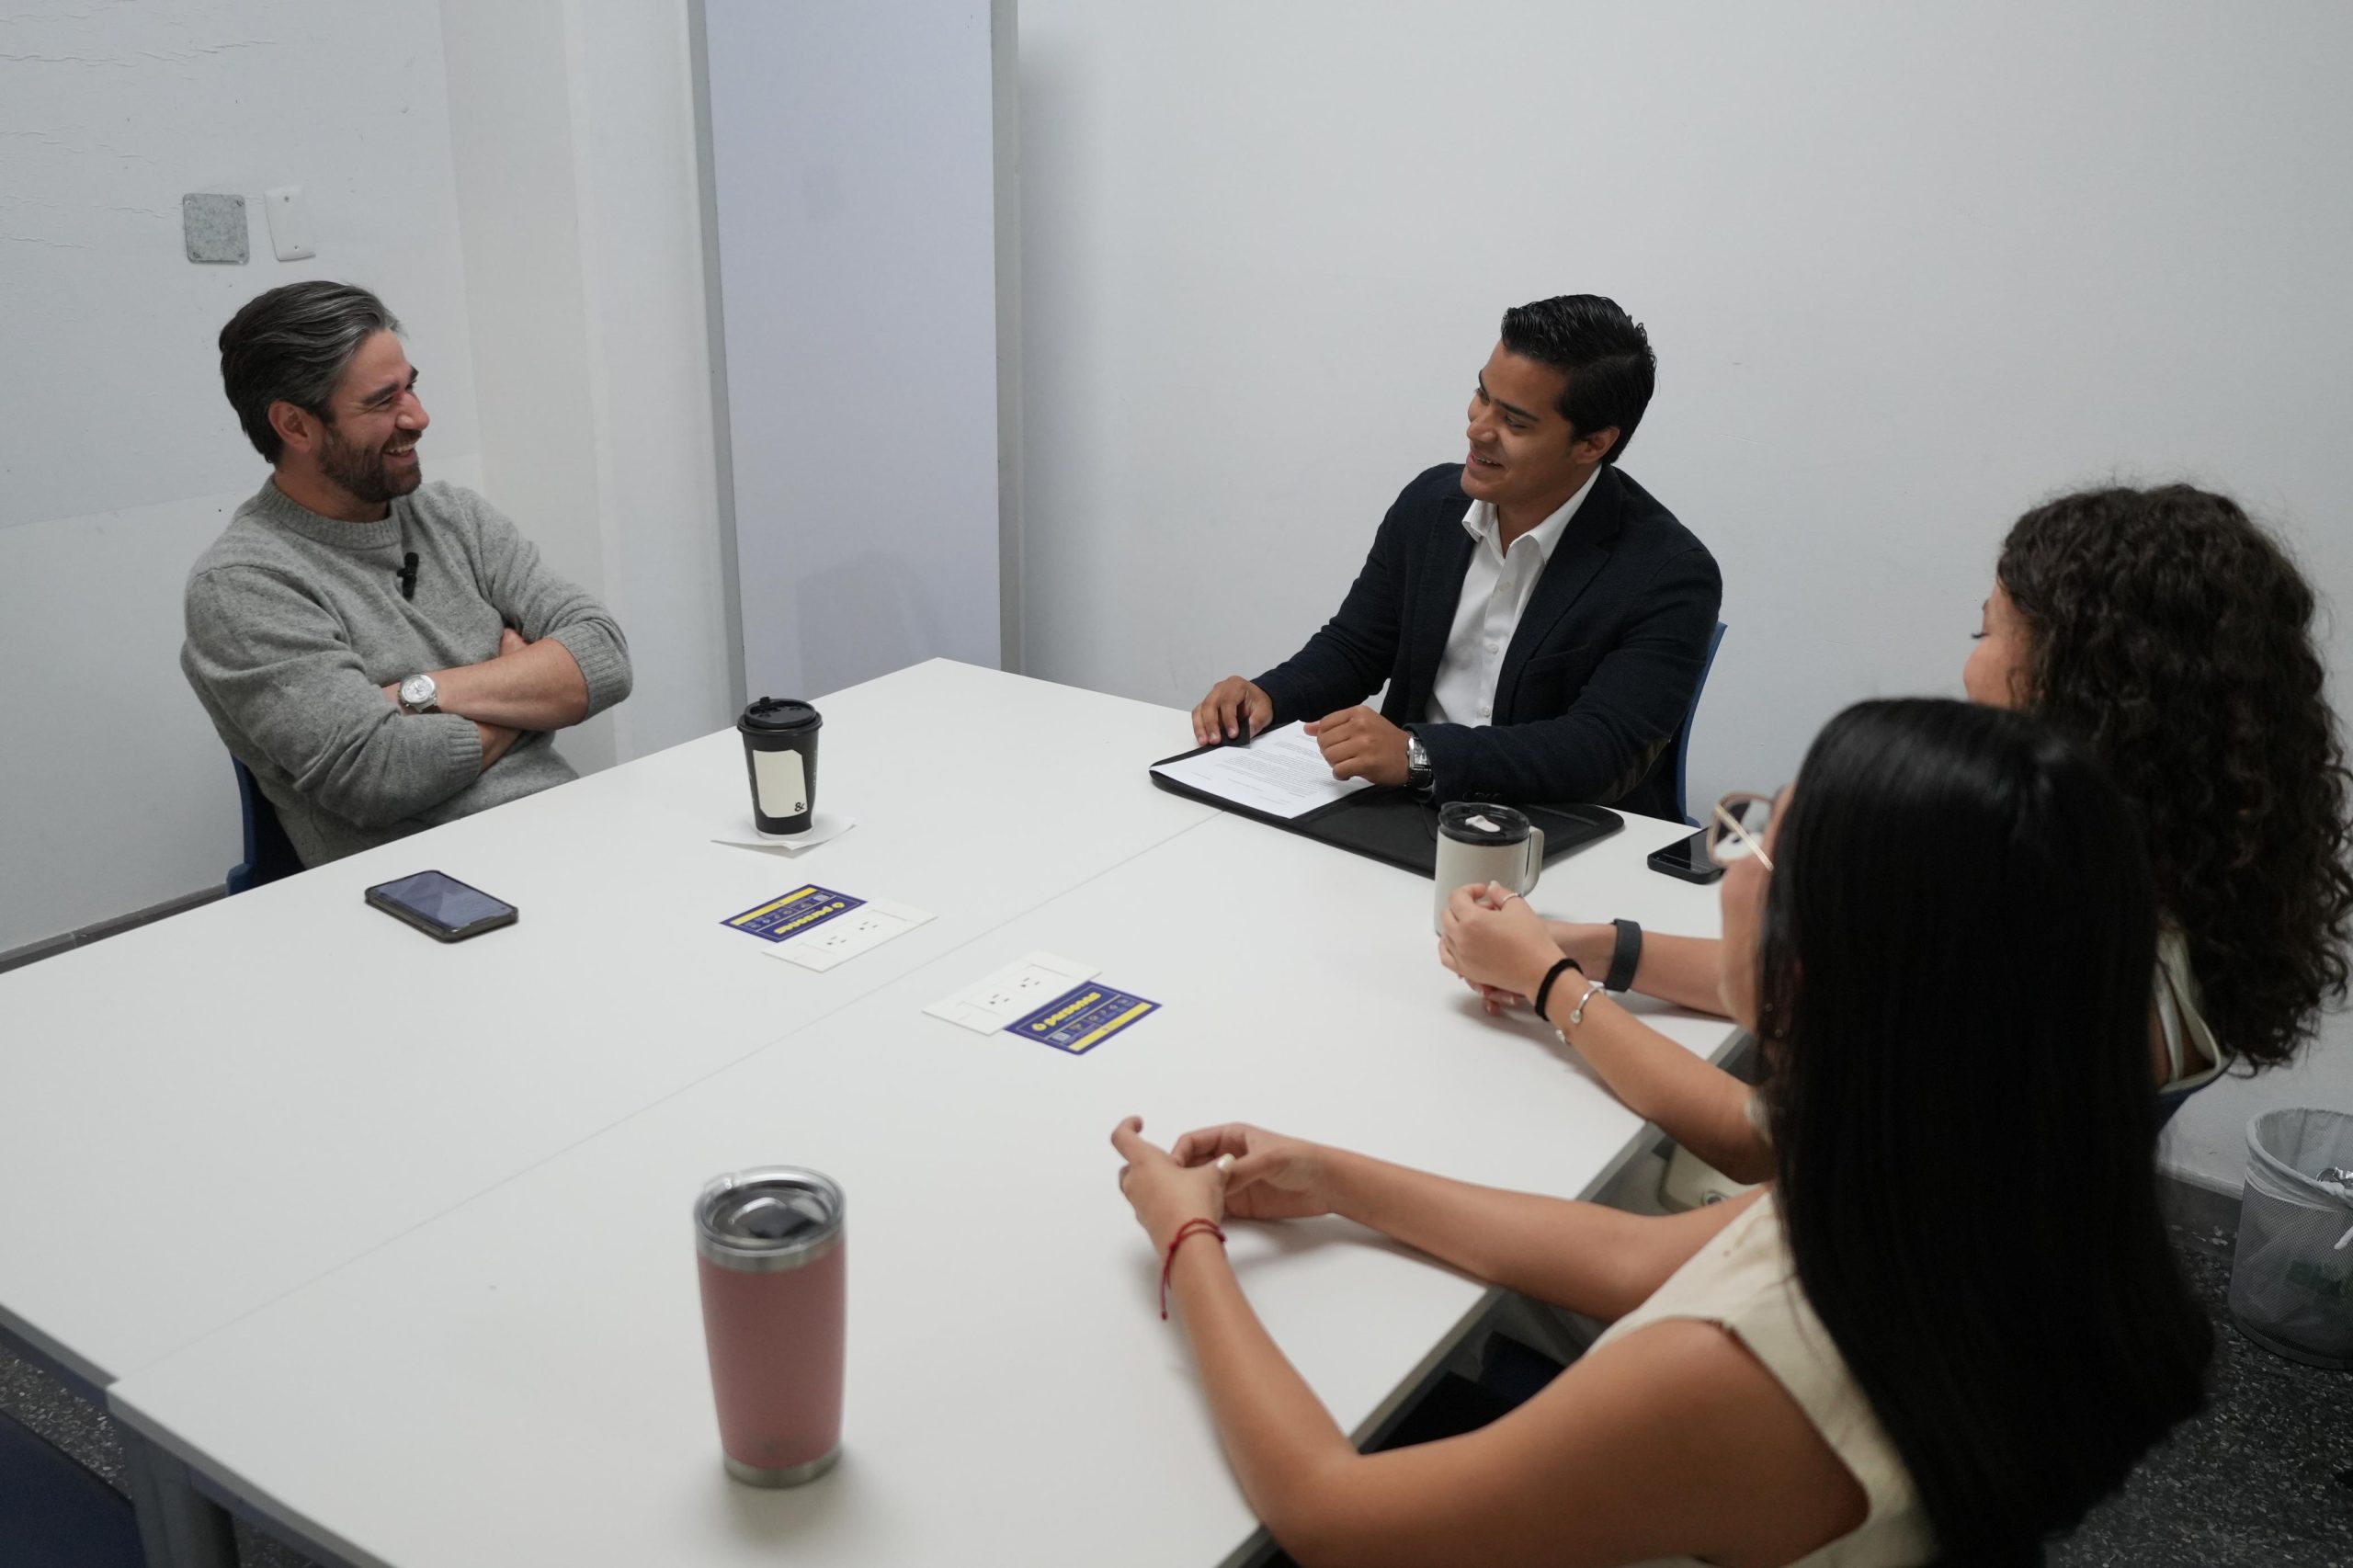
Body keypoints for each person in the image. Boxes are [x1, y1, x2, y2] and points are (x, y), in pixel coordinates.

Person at [1114, 699, 2210, 1568]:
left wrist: (1186, 1241)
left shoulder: (1738, 1369)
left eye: (1758, 849)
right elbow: (1633, 1256)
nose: (1731, 862)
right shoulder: (1968, 1170)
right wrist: (1333, 1174)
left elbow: (1328, 1512)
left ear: (1801, 976)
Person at [1443, 484, 2353, 1175]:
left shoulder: (2049, 967)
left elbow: (1755, 1136)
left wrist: (1554, 984)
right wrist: (1590, 946)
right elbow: (1832, 983)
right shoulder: (2126, 910)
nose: (1967, 669)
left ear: (2077, 687)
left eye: (1985, 632)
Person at [1190, 295, 1720, 820]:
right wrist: (1269, 696)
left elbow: (1600, 751)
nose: (1477, 428)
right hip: (1412, 812)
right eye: (1482, 395)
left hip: (1557, 829)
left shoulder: (1670, 573)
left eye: (1514, 422)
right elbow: (1357, 647)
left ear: (1593, 444)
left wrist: (1418, 756)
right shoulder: (1430, 506)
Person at [183, 282, 632, 866]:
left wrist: (419, 695)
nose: (418, 417)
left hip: (569, 831)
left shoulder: (456, 517)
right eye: (381, 402)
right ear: (295, 426)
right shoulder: (243, 586)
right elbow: (379, 773)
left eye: (411, 387)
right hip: (423, 882)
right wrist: (523, 690)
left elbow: (604, 658)